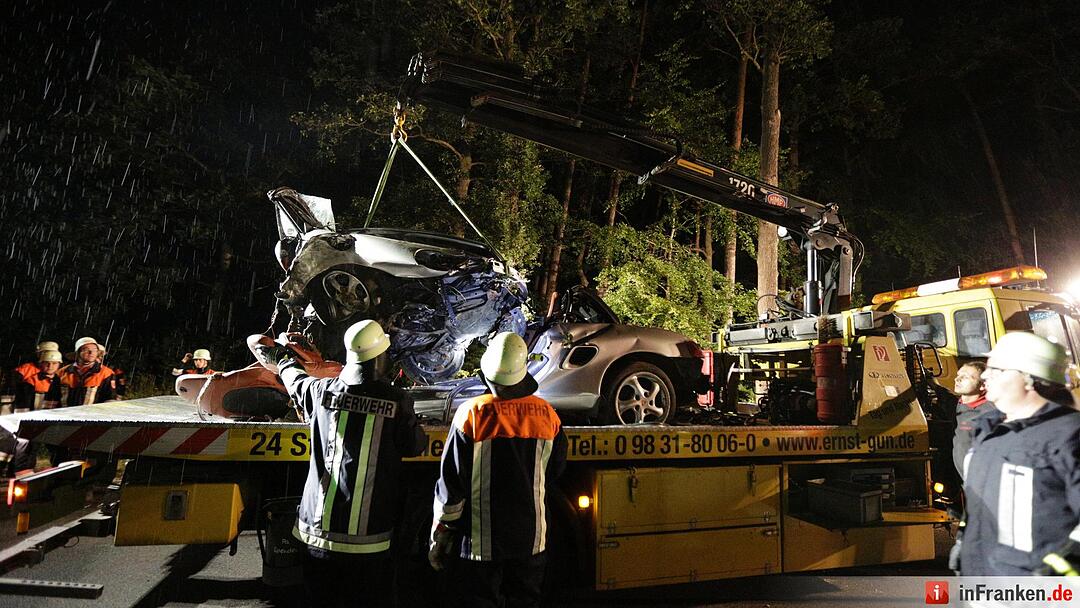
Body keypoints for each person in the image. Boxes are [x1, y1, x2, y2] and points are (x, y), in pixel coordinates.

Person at [250, 321, 427, 607]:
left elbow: (295, 379)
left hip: (315, 537)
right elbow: (415, 446)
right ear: (381, 357)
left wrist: (280, 360)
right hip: (370, 542)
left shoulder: (321, 392)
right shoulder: (397, 402)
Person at [428, 332, 568, 608]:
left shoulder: (471, 414)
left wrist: (441, 531)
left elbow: (452, 484)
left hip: (481, 545)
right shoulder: (548, 415)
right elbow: (555, 472)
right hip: (531, 540)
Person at [952, 332, 1080, 576]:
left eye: (996, 369)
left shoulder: (1069, 435)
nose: (986, 375)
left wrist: (1056, 574)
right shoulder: (988, 433)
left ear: (1028, 378)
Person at [951, 361, 997, 481]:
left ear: (983, 385)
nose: (957, 379)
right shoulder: (960, 404)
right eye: (958, 375)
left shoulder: (990, 415)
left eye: (965, 377)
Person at [58, 337, 117, 407]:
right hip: (64, 415)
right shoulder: (62, 372)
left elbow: (110, 399)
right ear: (78, 352)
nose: (91, 352)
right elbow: (53, 397)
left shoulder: (106, 373)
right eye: (86, 349)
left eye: (94, 350)